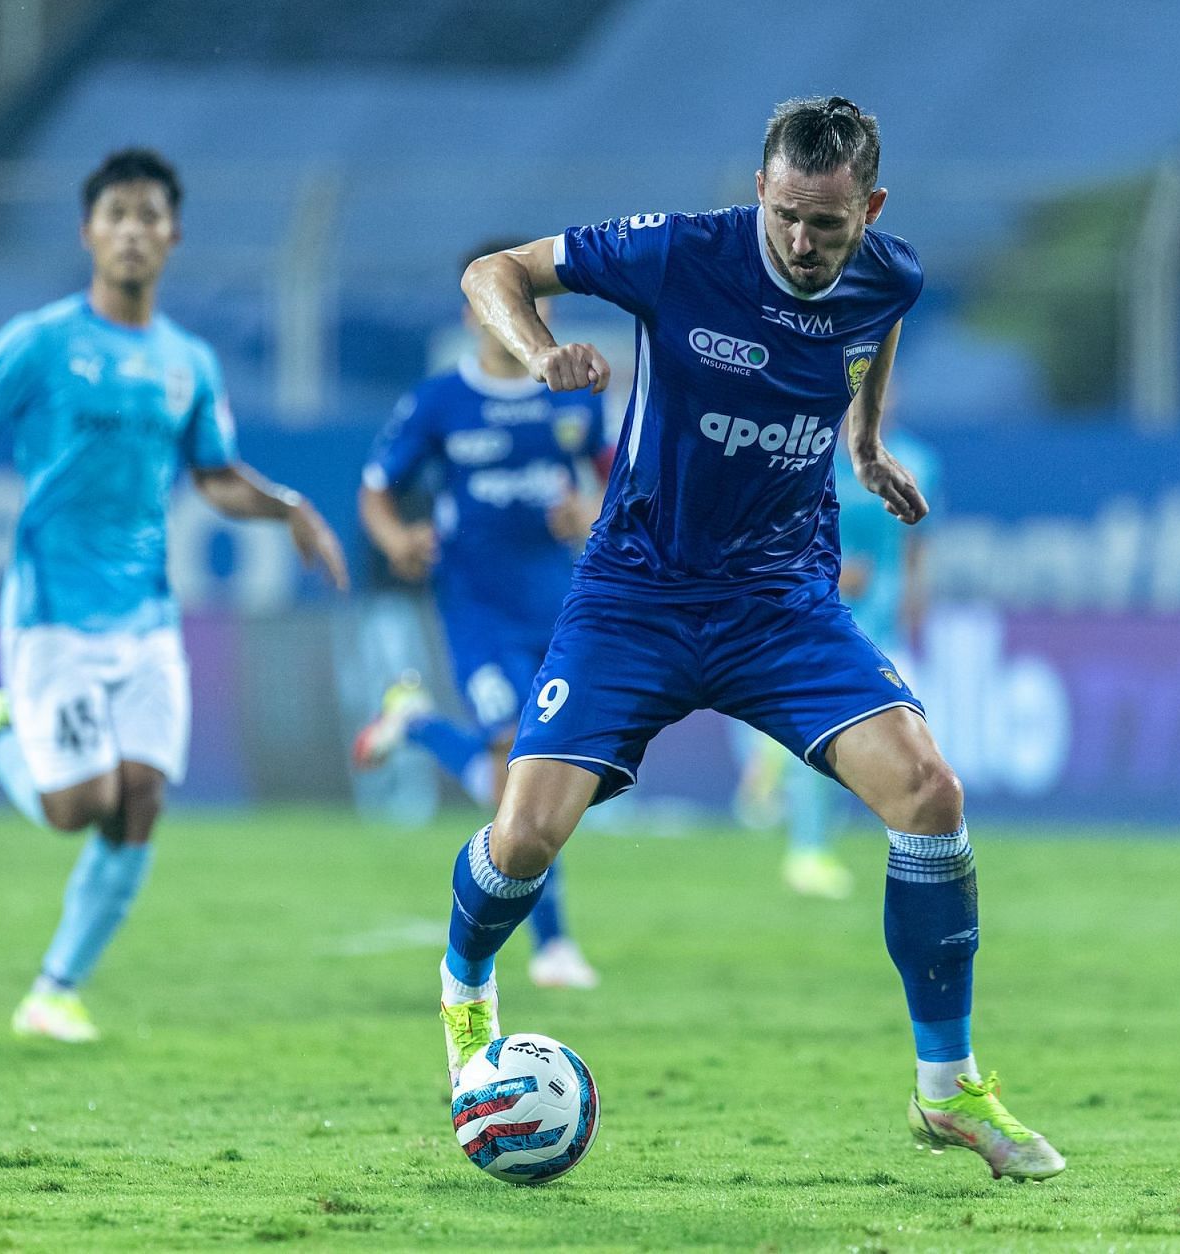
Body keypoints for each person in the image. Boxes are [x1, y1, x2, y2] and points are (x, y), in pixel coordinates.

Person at [437, 95, 1063, 1181]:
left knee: (931, 794)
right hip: (637, 594)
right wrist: (540, 356)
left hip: (781, 602)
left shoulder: (889, 273)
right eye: (785, 217)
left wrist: (863, 446)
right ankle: (464, 997)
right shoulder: (679, 253)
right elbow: (491, 271)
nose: (805, 244)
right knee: (527, 837)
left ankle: (948, 1087)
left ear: (867, 208)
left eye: (828, 223)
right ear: (758, 194)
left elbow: (875, 332)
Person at [0, 147, 348, 1043]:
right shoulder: (43, 341)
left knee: (142, 797)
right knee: (77, 810)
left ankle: (55, 988)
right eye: (117, 215)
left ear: (173, 235)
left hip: (145, 613)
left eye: (150, 216)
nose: (133, 231)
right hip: (53, 611)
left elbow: (213, 478)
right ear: (88, 233)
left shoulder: (187, 363)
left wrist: (289, 509)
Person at [352, 241, 608, 989]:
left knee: (545, 770)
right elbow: (376, 488)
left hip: (560, 606)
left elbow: (612, 489)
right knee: (516, 769)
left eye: (539, 298)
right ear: (474, 311)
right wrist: (398, 536)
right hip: (476, 608)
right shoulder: (439, 403)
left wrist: (587, 514)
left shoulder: (571, 398)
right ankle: (554, 943)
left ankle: (416, 723)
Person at [733, 429, 939, 900]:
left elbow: (916, 543)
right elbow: (769, 533)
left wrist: (916, 604)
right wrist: (830, 571)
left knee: (884, 742)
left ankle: (775, 764)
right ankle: (808, 850)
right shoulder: (806, 452)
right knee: (829, 730)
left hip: (883, 623)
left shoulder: (918, 461)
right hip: (819, 611)